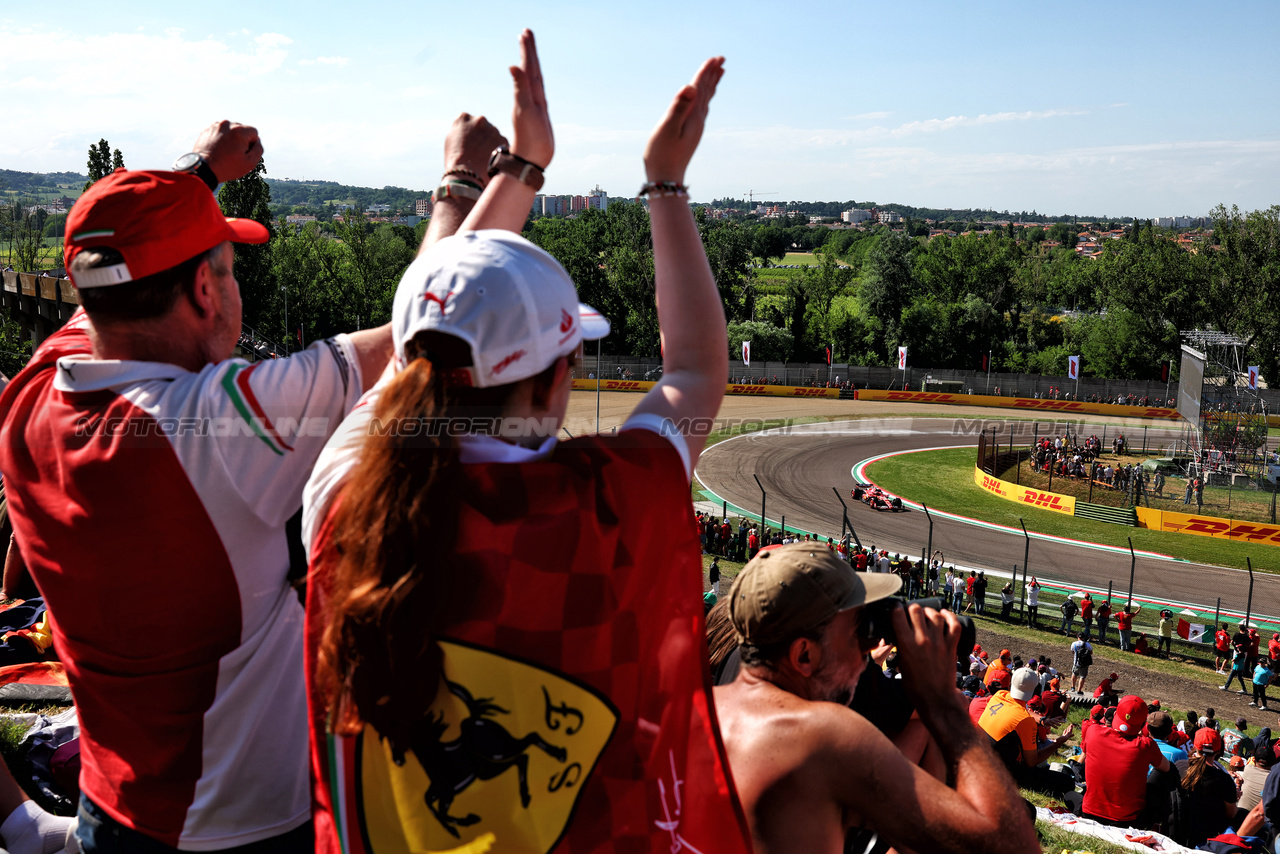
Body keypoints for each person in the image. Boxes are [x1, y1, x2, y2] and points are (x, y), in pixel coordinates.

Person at [304, 40, 748, 853]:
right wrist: (665, 183)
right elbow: (693, 368)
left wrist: (522, 166)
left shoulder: (345, 495)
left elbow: (426, 338)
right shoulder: (608, 501)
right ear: (557, 384)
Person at [0, 120, 398, 851]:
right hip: (247, 829)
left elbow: (108, 290)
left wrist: (197, 179)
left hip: (114, 810)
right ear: (204, 293)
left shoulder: (30, 401)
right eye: (227, 268)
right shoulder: (215, 428)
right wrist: (474, 183)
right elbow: (423, 323)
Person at [714, 544, 1039, 854]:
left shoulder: (702, 707)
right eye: (859, 629)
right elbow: (1010, 845)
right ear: (804, 654)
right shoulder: (822, 737)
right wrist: (941, 703)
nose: (867, 649)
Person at [977, 667, 1075, 794]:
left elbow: (1021, 709)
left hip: (979, 758)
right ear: (1034, 690)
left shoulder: (999, 696)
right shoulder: (1025, 721)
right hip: (1001, 773)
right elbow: (1032, 762)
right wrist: (1058, 742)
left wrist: (1041, 720)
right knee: (1067, 782)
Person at [1080, 695, 1173, 827]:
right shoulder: (1146, 745)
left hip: (1090, 812)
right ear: (1143, 724)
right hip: (1127, 820)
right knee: (1165, 772)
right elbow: (1166, 768)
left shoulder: (1093, 731)